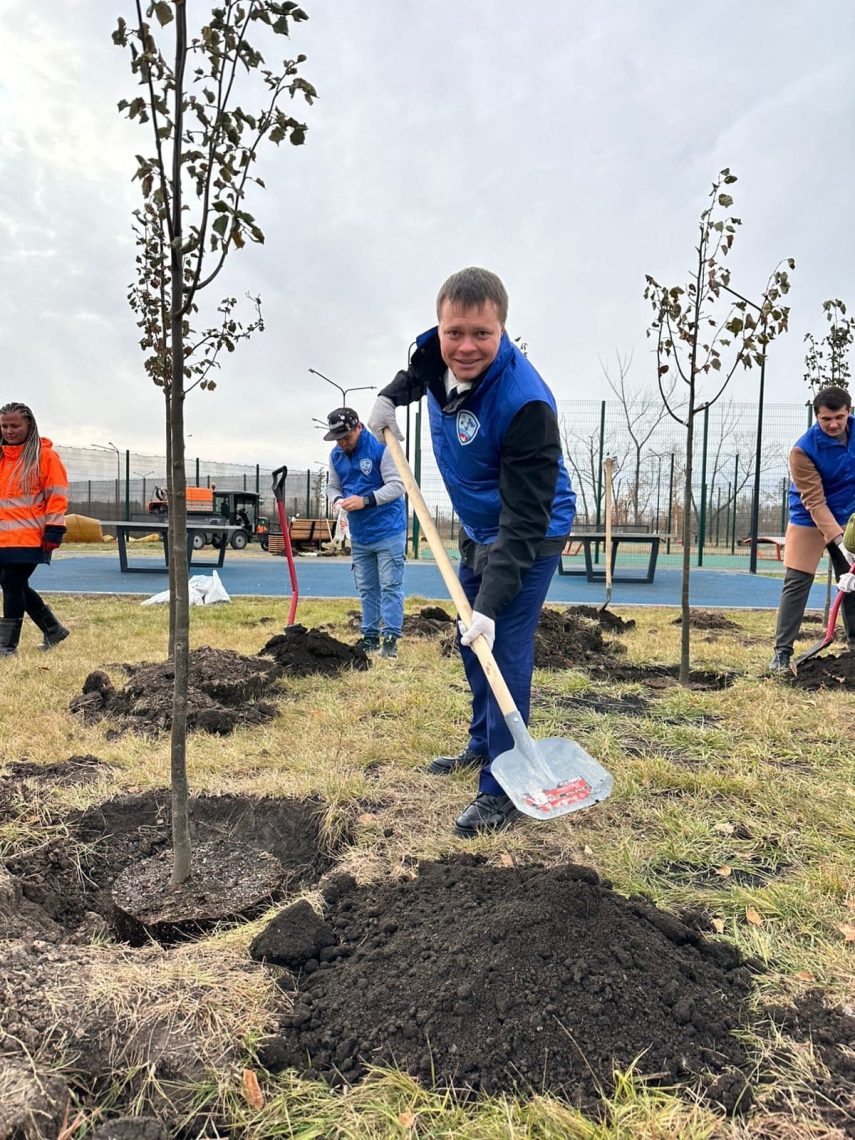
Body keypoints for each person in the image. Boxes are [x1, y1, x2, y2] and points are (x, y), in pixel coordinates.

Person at [367, 267, 576, 838]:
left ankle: (502, 787)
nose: (465, 347)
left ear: (503, 330)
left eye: (481, 334)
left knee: (499, 644)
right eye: (454, 332)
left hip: (528, 532)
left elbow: (526, 520)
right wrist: (390, 397)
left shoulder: (526, 404)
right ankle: (484, 743)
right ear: (440, 327)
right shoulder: (437, 351)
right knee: (469, 648)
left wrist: (493, 601)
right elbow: (419, 370)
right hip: (479, 524)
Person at [770, 385, 855, 674]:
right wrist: (839, 541)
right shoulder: (803, 450)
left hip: (849, 515)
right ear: (816, 416)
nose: (833, 424)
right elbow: (815, 501)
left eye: (839, 417)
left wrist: (848, 542)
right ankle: (782, 652)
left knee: (852, 580)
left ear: (849, 413)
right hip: (809, 517)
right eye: (826, 419)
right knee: (797, 580)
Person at [325, 406, 407, 659]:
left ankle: (391, 640)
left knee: (391, 585)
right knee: (367, 588)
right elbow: (332, 486)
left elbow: (398, 485)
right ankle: (370, 637)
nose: (342, 443)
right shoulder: (336, 455)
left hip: (388, 530)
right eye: (338, 438)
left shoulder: (382, 448)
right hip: (360, 535)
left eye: (346, 437)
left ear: (359, 427)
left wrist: (366, 500)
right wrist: (337, 499)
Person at [0, 402, 69, 656]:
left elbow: (57, 496)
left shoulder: (46, 457)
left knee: (11, 581)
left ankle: (6, 647)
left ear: (29, 424)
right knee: (13, 585)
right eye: (5, 426)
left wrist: (54, 530)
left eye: (15, 425)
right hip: (3, 539)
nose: (9, 430)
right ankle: (53, 629)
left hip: (31, 537)